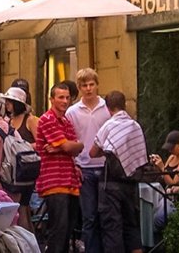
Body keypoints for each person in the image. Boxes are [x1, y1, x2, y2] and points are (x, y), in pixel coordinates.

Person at [88, 91, 147, 253]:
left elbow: (92, 152)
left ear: (107, 107)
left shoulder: (108, 126)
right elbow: (139, 152)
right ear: (125, 104)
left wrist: (106, 151)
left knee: (112, 227)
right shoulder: (135, 126)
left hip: (111, 184)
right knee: (132, 224)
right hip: (131, 183)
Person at [65, 68, 110, 253]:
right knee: (89, 217)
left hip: (106, 167)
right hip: (84, 168)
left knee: (106, 216)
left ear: (97, 85)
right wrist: (74, 164)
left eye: (92, 84)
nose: (89, 89)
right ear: (79, 87)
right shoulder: (72, 111)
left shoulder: (107, 108)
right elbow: (69, 138)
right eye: (85, 85)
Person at [35, 83, 83, 253]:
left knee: (68, 230)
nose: (64, 101)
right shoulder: (47, 119)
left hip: (70, 181)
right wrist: (68, 146)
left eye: (67, 97)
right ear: (51, 99)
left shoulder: (67, 121)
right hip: (54, 182)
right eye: (60, 97)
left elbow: (77, 148)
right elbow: (71, 147)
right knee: (58, 230)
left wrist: (62, 147)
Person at [2, 86, 38, 232]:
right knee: (19, 209)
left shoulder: (29, 120)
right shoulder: (8, 121)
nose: (7, 105)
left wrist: (21, 146)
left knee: (23, 209)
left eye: (9, 102)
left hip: (25, 170)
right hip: (13, 172)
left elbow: (41, 143)